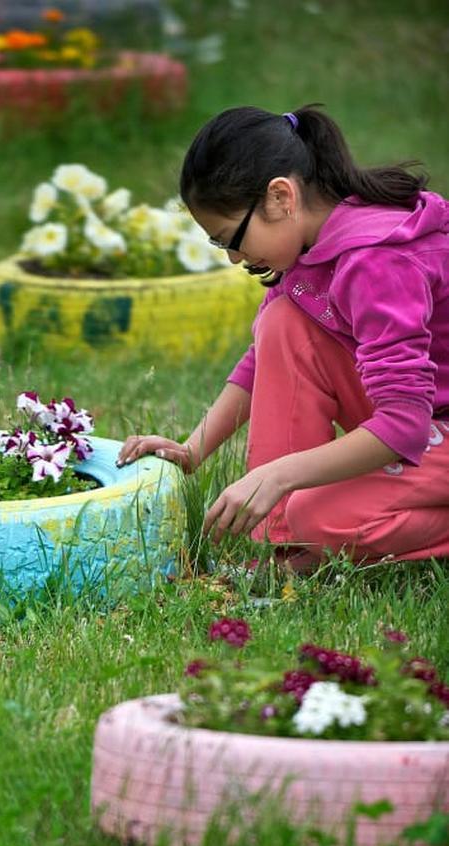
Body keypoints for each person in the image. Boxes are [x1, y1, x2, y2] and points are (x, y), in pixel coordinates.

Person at [117, 104, 449, 569]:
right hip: (424, 426)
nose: (233, 257)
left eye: (229, 237)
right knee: (283, 322)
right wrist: (193, 449)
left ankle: (307, 533)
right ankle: (284, 538)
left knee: (317, 515)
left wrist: (281, 474)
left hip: (421, 425)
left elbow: (403, 423)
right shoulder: (311, 250)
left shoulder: (377, 261)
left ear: (281, 197)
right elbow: (264, 359)